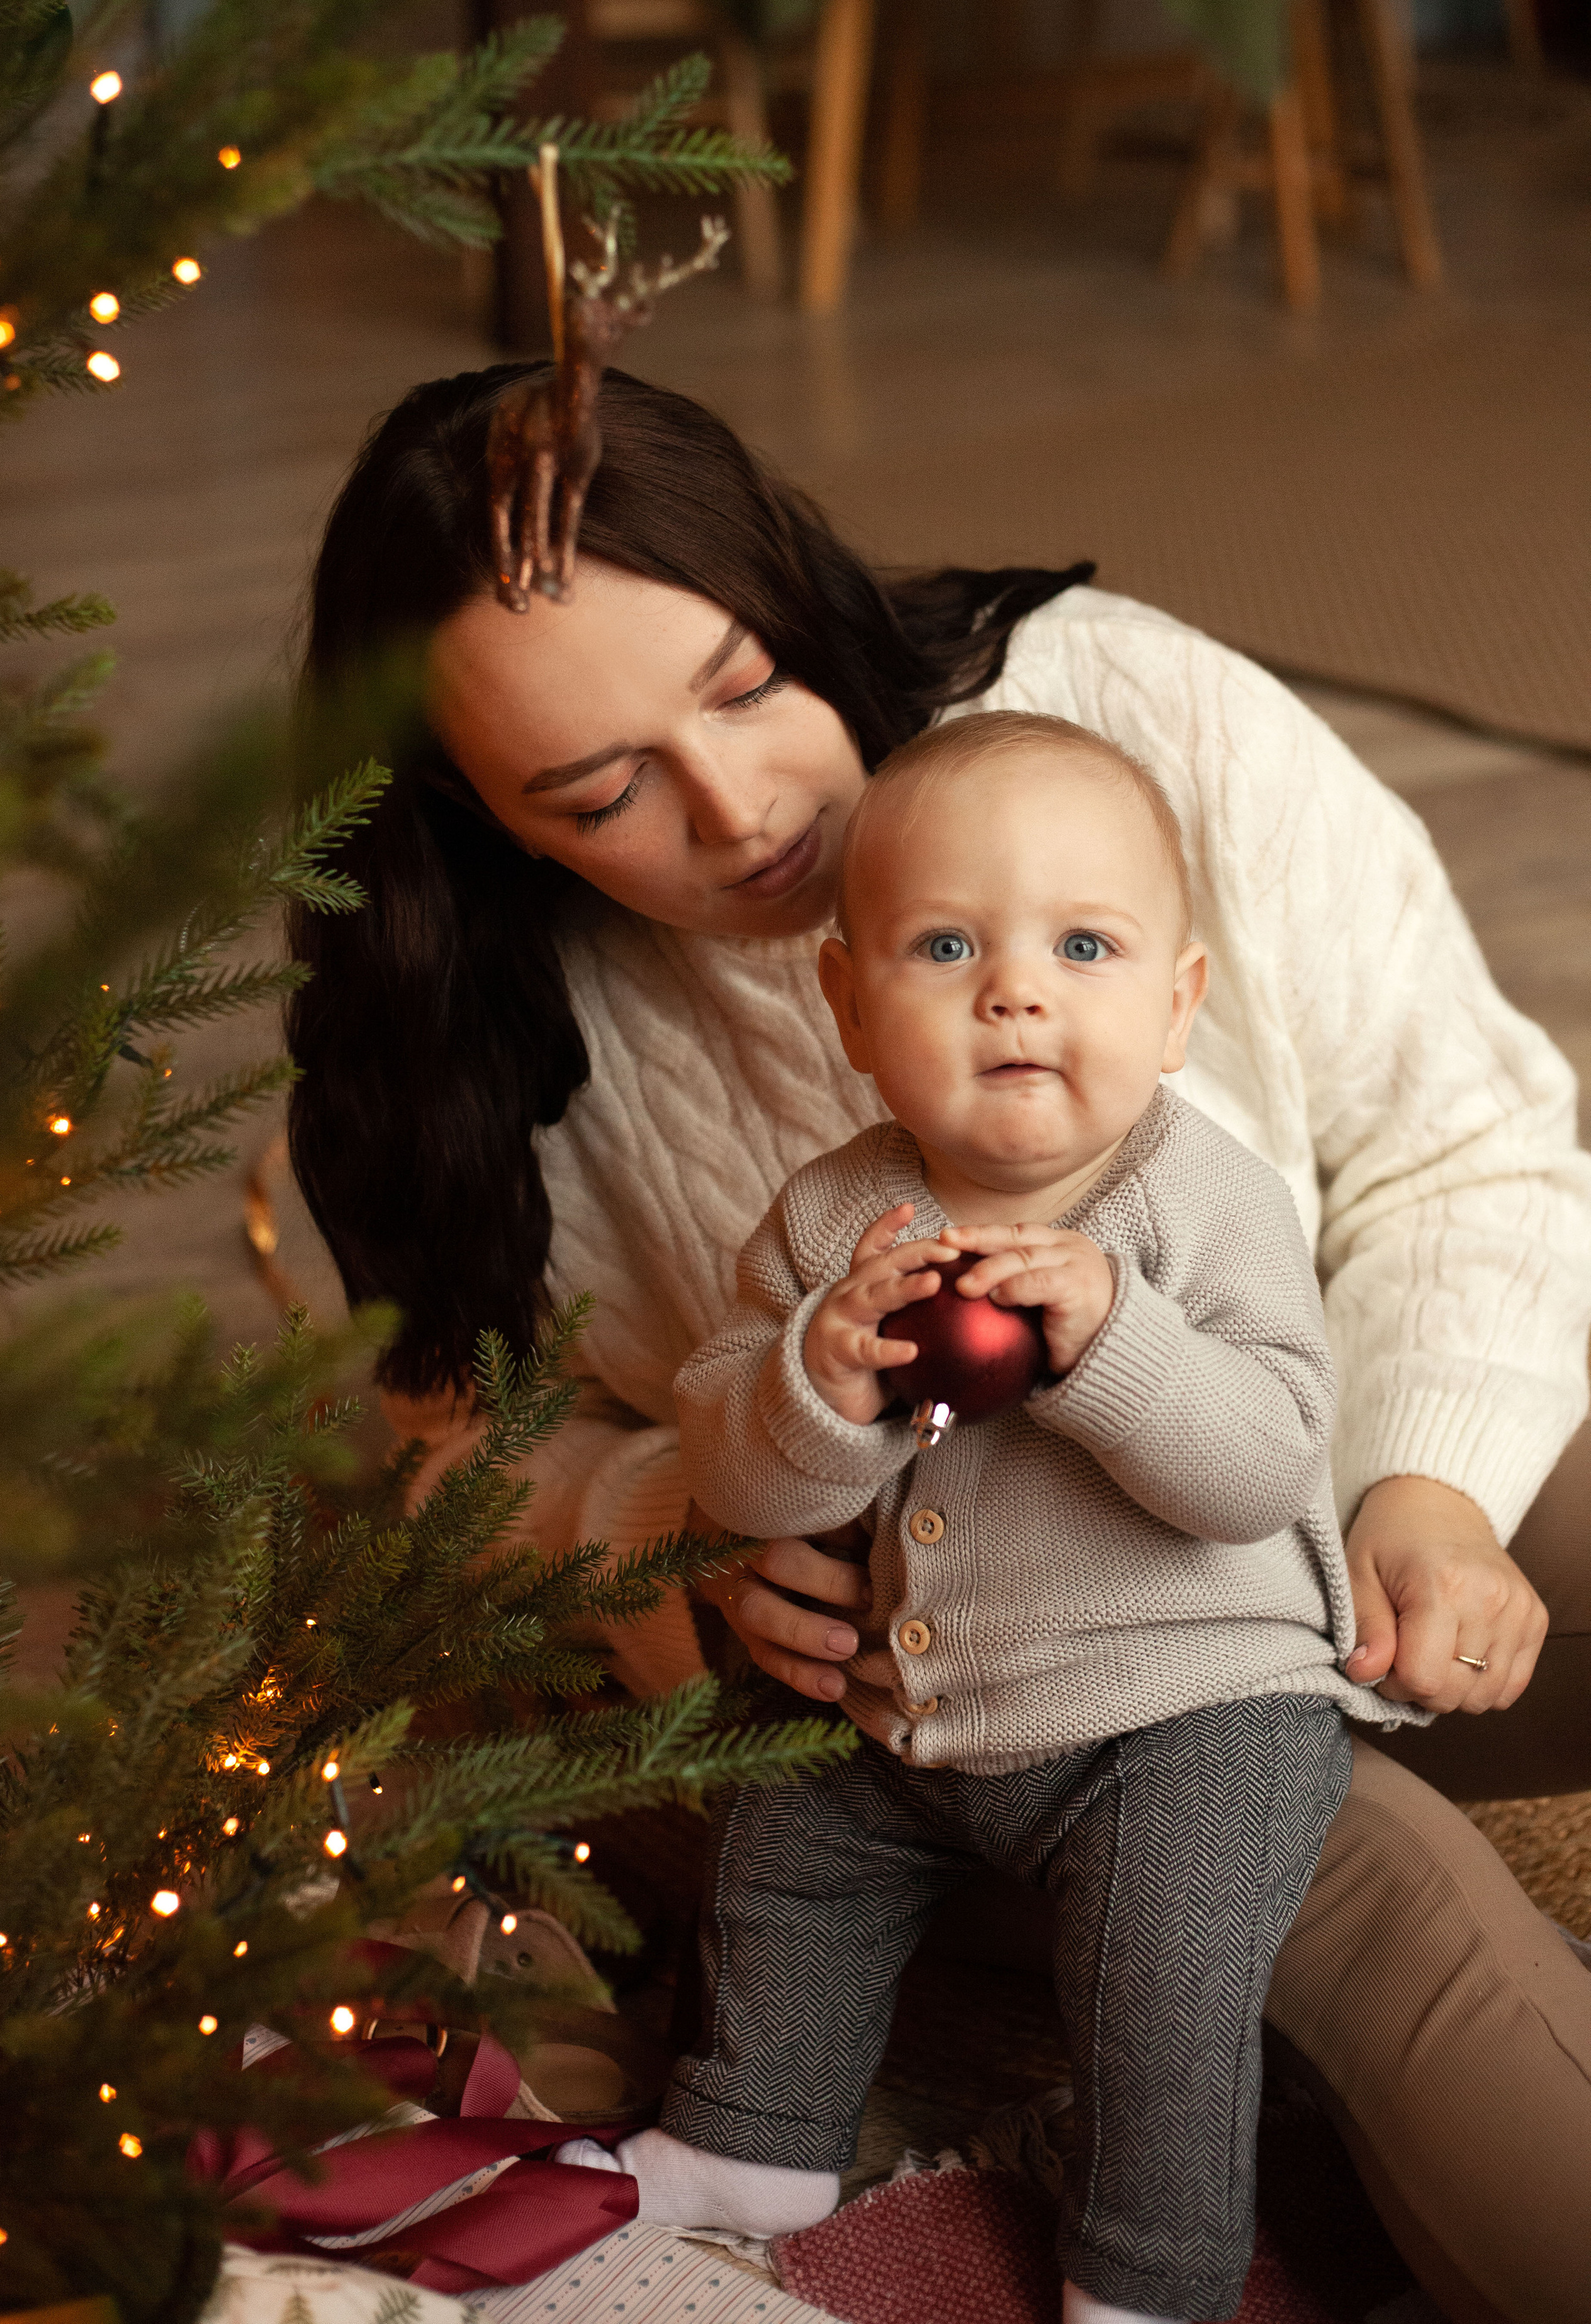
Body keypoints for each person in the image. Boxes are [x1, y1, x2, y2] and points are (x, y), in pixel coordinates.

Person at [288, 362, 1591, 2323]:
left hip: (1299, 1457)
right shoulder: (469, 1050)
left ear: (795, 592)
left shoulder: (1122, 707)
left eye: (740, 686)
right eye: (599, 791)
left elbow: (1464, 1133)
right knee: (1383, 1902)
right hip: (994, 1688)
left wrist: (1422, 1491)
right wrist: (677, 1525)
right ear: (482, 823)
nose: (738, 809)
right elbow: (464, 1458)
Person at [556, 709, 1424, 2324]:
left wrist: (1118, 1340)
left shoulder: (1197, 1201)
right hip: (906, 1718)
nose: (1013, 991)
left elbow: (1256, 1467)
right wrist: (815, 1382)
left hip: (1191, 1711)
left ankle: (1150, 2276)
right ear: (847, 1004)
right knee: (776, 1844)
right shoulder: (829, 1220)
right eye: (944, 945)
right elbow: (735, 1493)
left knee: (1161, 1981)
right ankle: (754, 2135)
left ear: (1174, 1009)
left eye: (1082, 947)